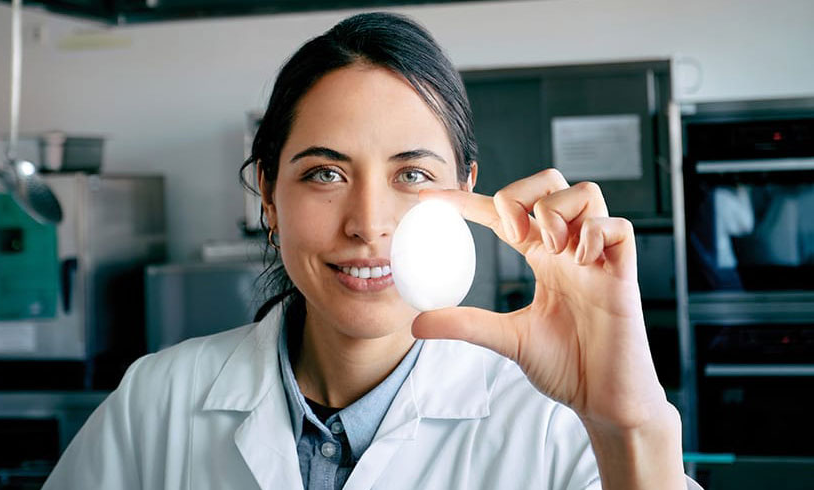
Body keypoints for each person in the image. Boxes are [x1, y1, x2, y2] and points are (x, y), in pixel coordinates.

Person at [43, 12, 702, 490]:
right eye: (324, 174)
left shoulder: (555, 426)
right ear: (267, 195)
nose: (367, 222)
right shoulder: (157, 403)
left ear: (466, 192)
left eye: (411, 175)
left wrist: (630, 424)